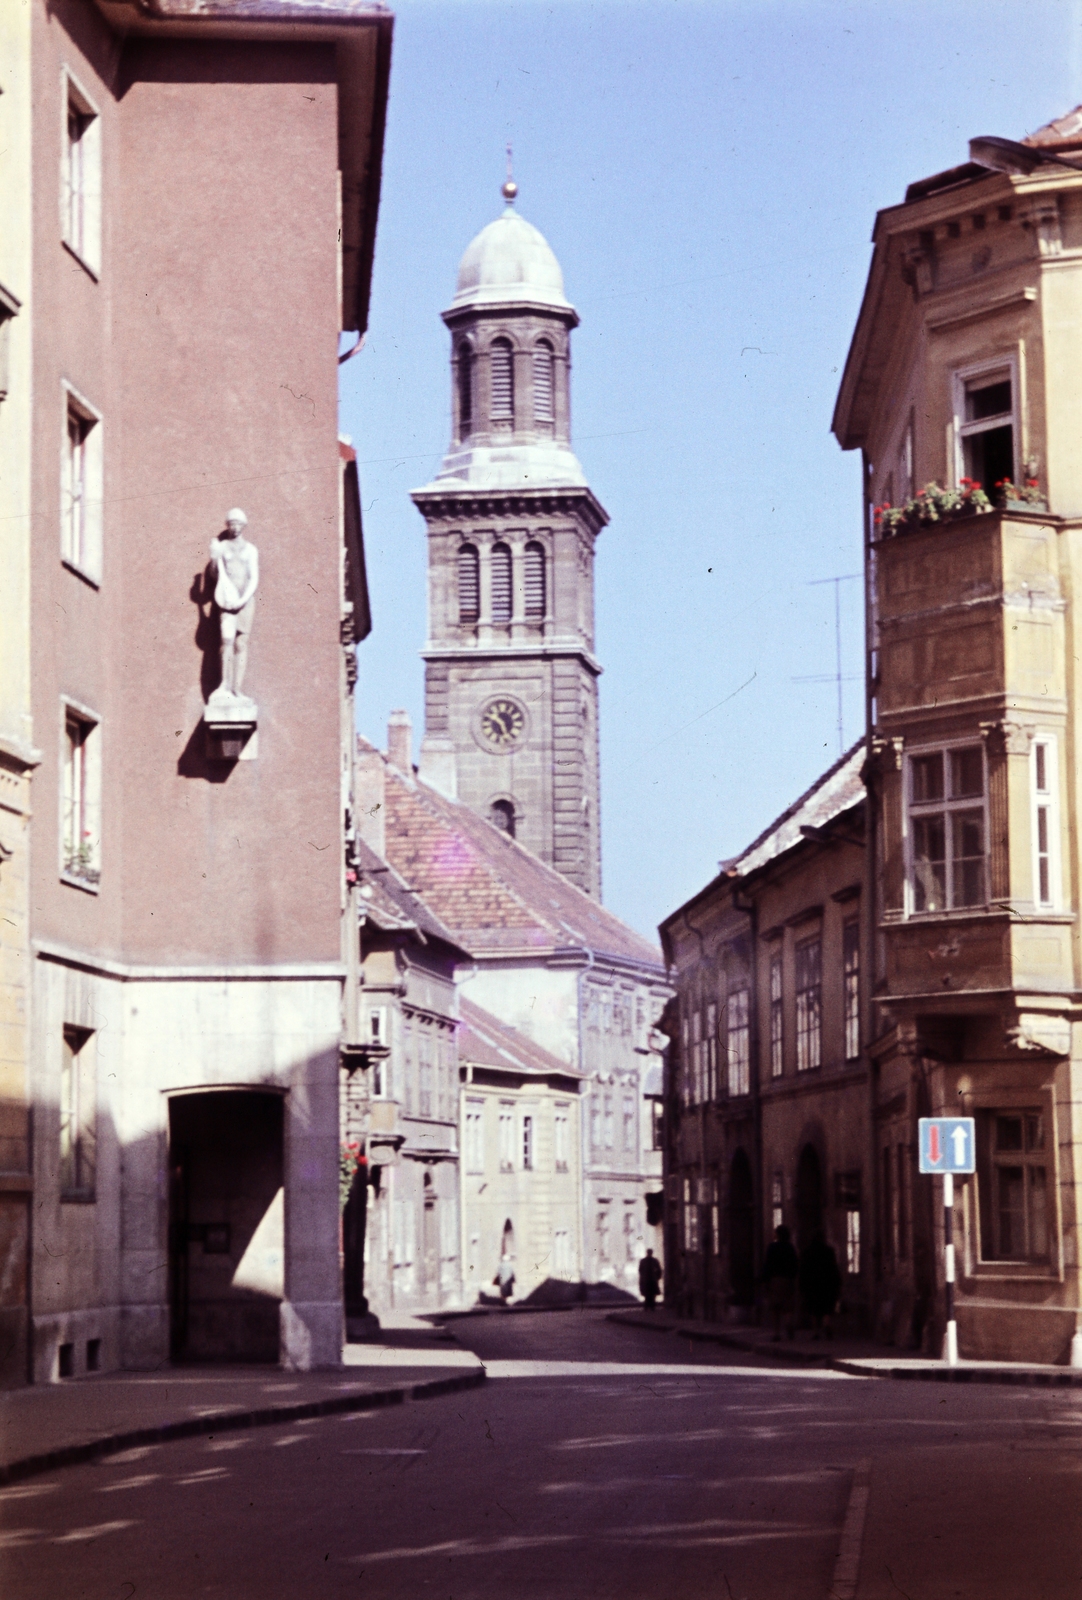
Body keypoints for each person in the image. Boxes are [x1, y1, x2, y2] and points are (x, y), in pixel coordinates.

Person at [209, 508, 260, 697]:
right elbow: (215, 575)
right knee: (227, 640)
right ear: (228, 526)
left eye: (238, 524)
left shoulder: (250, 550)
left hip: (245, 602)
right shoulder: (222, 547)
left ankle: (237, 688)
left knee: (241, 643)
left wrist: (243, 599)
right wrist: (214, 558)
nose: (235, 527)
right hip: (226, 601)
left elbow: (254, 578)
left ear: (244, 526)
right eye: (232, 524)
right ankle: (224, 684)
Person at [798, 1228, 842, 1339]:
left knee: (813, 1308)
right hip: (826, 1282)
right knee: (827, 1306)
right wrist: (837, 1282)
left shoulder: (807, 1252)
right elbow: (833, 1267)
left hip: (812, 1283)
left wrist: (802, 1284)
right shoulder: (829, 1251)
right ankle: (826, 1324)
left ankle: (816, 1331)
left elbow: (803, 1269)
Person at [761, 1223, 799, 1340]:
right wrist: (792, 1277)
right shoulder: (790, 1247)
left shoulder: (772, 1247)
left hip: (774, 1280)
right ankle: (788, 1323)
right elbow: (795, 1263)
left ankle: (776, 1333)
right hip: (787, 1279)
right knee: (788, 1305)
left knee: (775, 1307)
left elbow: (767, 1264)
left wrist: (765, 1280)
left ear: (777, 1234)